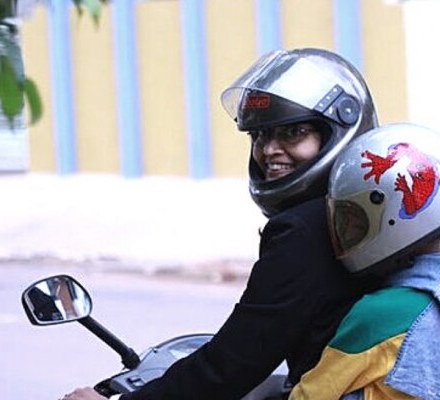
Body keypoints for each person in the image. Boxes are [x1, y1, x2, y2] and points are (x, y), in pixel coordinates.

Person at [63, 48, 379, 400]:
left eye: (293, 132)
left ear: (337, 133)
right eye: (260, 135)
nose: (269, 149)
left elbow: (234, 362)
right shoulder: (367, 212)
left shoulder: (305, 231)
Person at [289, 123, 440, 400]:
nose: (348, 232)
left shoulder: (381, 314)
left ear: (392, 216)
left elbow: (309, 396)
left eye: (355, 221)